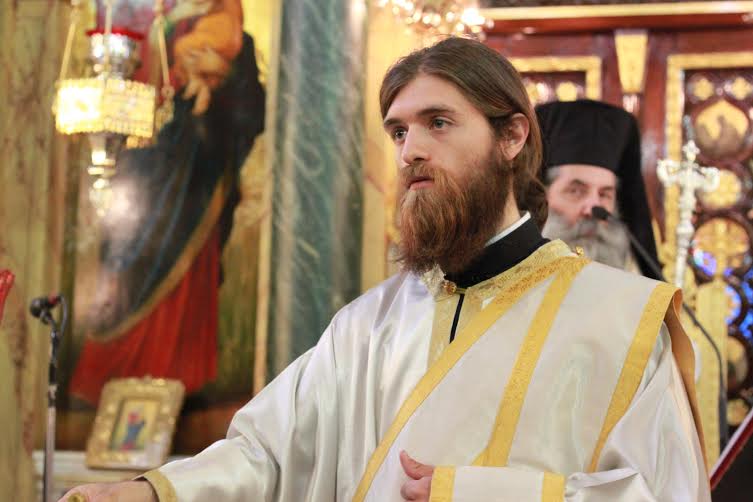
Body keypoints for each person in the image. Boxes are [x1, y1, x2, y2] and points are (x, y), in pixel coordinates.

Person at [60, 37, 709, 502]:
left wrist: (473, 491)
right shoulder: (367, 325)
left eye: (438, 123)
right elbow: (266, 454)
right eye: (398, 132)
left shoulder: (624, 321)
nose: (410, 151)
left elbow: (663, 490)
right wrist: (152, 491)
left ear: (511, 138)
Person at [535, 99, 661, 280]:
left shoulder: (640, 290)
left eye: (604, 194)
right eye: (576, 191)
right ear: (541, 197)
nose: (593, 209)